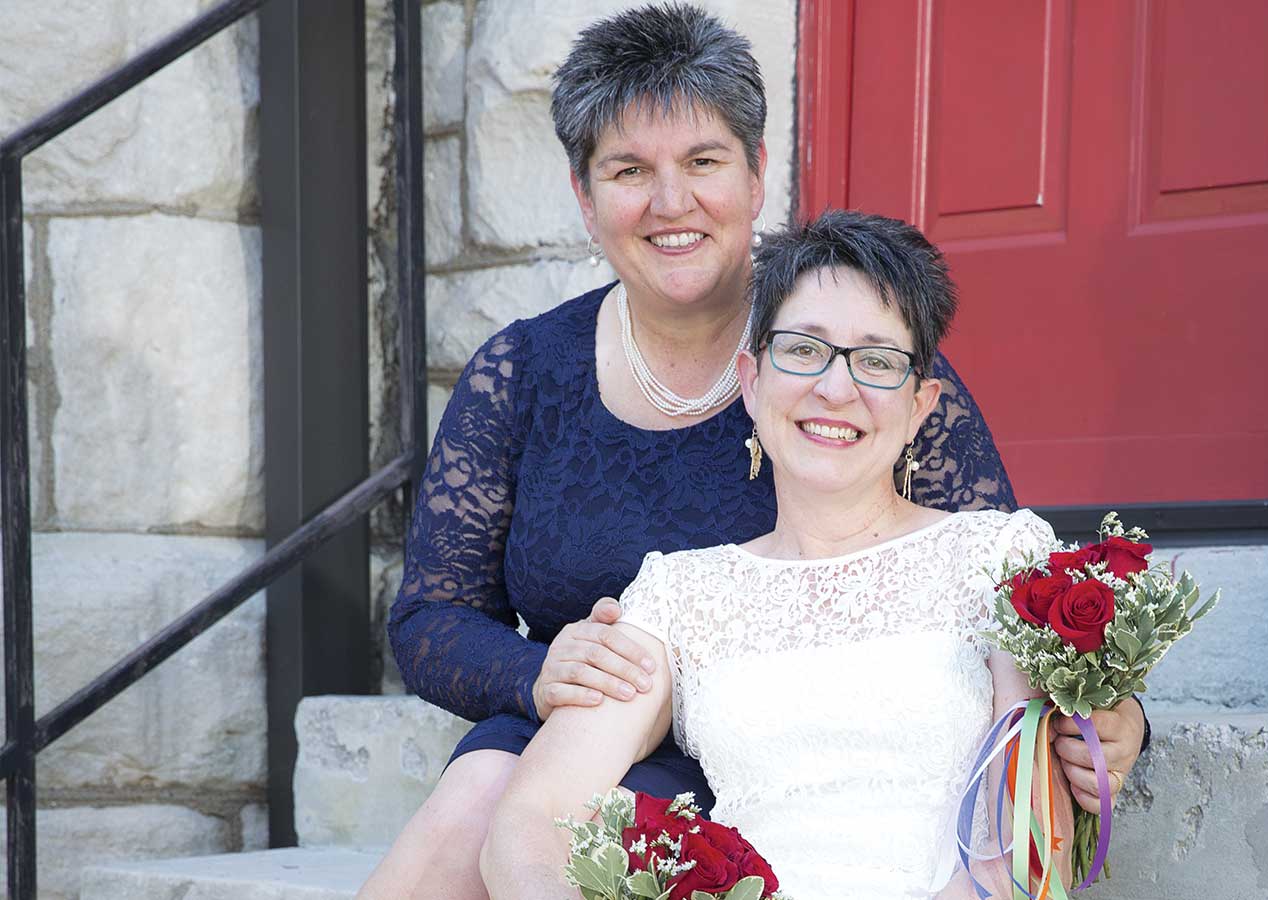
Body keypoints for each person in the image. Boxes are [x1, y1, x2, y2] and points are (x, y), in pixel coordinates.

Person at [362, 6, 1145, 899]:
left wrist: (1107, 716)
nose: (670, 202)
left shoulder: (858, 366)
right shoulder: (524, 372)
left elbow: (1002, 593)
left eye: (703, 162)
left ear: (757, 170)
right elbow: (430, 617)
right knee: (488, 793)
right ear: (584, 196)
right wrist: (542, 673)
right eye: (629, 170)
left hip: (759, 762)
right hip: (602, 724)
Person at [481, 210, 1103, 899]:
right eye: (804, 350)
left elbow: (1022, 838)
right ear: (751, 380)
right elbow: (532, 818)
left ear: (921, 405)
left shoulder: (998, 559)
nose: (836, 389)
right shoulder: (681, 596)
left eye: (876, 360)